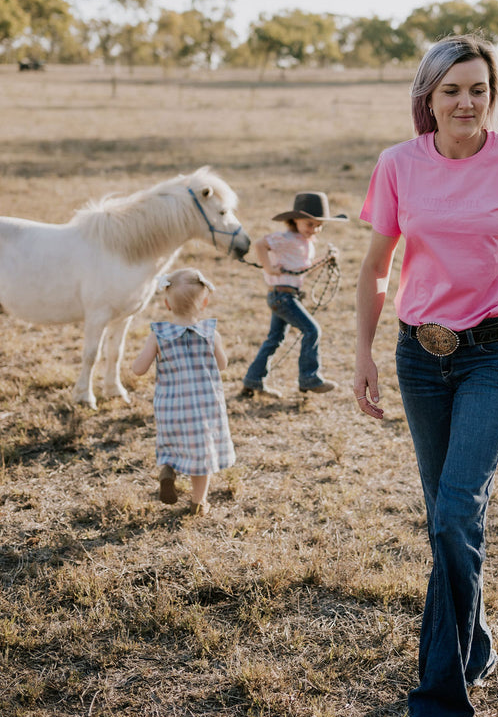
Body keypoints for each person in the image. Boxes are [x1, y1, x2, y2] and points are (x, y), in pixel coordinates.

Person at [354, 34, 498, 717]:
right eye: (451, 90)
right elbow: (377, 265)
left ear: (490, 93)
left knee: (454, 511)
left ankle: (439, 707)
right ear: (427, 98)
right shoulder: (396, 165)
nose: (466, 102)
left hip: (495, 355)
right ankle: (472, 645)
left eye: (478, 88)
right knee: (445, 520)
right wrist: (362, 351)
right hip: (420, 357)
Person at [131, 267, 235, 515]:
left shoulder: (158, 335)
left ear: (167, 304)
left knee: (172, 443)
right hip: (205, 408)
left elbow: (138, 369)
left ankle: (168, 468)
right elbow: (223, 365)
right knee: (202, 458)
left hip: (171, 407)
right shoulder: (211, 333)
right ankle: (198, 503)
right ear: (205, 302)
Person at [242, 192, 347, 397]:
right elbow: (260, 244)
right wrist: (269, 267)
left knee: (274, 339)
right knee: (312, 330)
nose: (314, 229)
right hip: (282, 296)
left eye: (318, 225)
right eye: (309, 224)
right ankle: (309, 378)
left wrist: (325, 260)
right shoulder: (287, 238)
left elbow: (303, 270)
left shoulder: (306, 242)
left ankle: (253, 380)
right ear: (295, 220)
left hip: (287, 296)